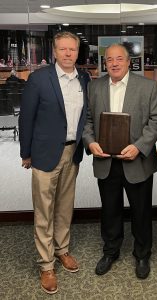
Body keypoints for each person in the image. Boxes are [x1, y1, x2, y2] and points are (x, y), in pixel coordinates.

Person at [83, 44, 157, 279]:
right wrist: (90, 142)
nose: (115, 63)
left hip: (136, 161)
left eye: (119, 59)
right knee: (110, 210)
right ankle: (111, 251)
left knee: (141, 211)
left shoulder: (149, 86)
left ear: (130, 62)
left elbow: (156, 120)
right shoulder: (94, 86)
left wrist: (138, 148)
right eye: (110, 60)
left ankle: (142, 254)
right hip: (106, 160)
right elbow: (87, 120)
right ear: (104, 63)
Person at [19, 31, 90, 294]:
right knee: (44, 211)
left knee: (64, 207)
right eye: (63, 49)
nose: (69, 53)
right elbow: (26, 119)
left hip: (72, 152)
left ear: (77, 52)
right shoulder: (39, 79)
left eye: (73, 49)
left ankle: (62, 250)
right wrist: (26, 153)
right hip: (44, 153)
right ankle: (46, 263)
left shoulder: (84, 78)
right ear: (55, 51)